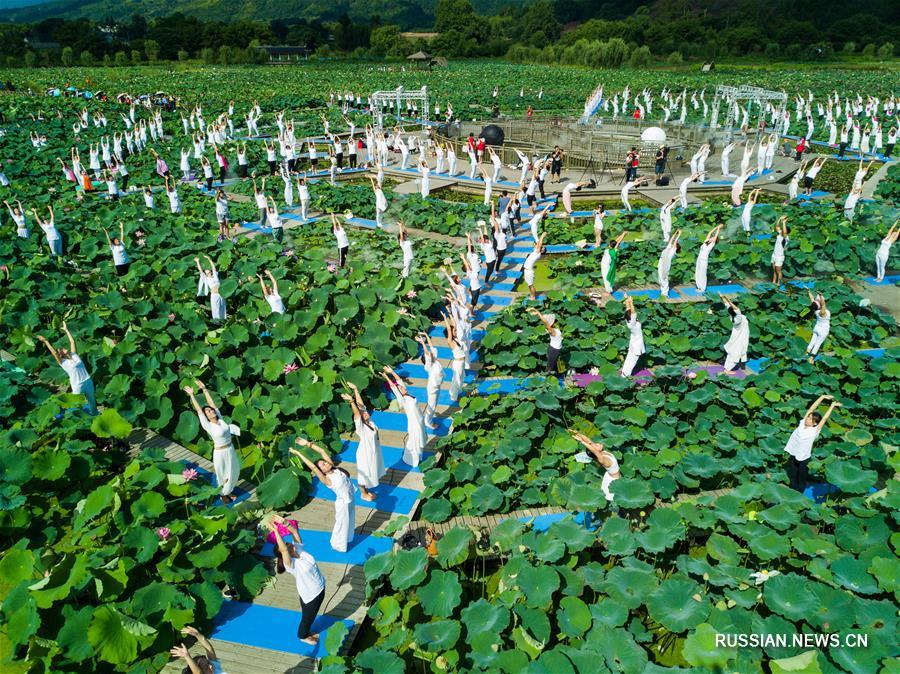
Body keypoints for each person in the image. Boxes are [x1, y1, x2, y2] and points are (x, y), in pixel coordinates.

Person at [267, 516, 326, 646]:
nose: (289, 545)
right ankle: (302, 636)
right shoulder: (290, 564)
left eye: (288, 544)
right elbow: (282, 549)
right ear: (284, 554)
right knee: (307, 618)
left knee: (310, 616)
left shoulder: (298, 549)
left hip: (320, 587)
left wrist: (284, 523)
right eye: (287, 546)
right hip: (311, 596)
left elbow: (294, 532)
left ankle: (307, 632)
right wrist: (276, 531)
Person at [291, 439, 356, 552]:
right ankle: (338, 544)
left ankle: (348, 538)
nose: (326, 464)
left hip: (350, 498)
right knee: (341, 524)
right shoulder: (327, 479)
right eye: (323, 465)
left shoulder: (335, 469)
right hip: (343, 503)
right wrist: (298, 454)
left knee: (350, 520)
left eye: (325, 462)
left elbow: (321, 451)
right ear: (322, 471)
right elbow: (313, 467)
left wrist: (307, 444)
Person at [183, 379, 241, 502]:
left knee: (234, 471)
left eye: (211, 410)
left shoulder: (220, 419)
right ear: (207, 416)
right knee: (222, 475)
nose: (211, 411)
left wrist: (204, 389)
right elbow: (199, 410)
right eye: (208, 411)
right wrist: (192, 395)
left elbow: (212, 403)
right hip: (220, 453)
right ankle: (223, 494)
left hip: (230, 449)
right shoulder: (208, 425)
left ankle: (229, 491)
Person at [36, 321, 97, 414]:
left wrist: (66, 330)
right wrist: (45, 341)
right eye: (61, 350)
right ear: (61, 355)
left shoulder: (74, 354)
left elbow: (72, 341)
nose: (63, 348)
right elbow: (54, 353)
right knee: (77, 404)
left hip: (88, 380)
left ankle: (95, 415)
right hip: (78, 385)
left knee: (92, 402)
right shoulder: (63, 362)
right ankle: (77, 419)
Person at [783, 395, 841, 492]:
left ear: (815, 423)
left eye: (810, 419)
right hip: (794, 454)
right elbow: (812, 408)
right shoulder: (802, 424)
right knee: (792, 475)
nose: (807, 419)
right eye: (808, 417)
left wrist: (832, 406)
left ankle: (799, 494)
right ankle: (791, 492)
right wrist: (822, 397)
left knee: (801, 478)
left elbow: (824, 419)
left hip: (804, 458)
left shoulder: (814, 431)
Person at [340, 381, 384, 500]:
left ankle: (367, 489)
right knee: (363, 475)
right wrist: (351, 402)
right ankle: (363, 493)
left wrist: (355, 389)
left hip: (373, 451)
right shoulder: (361, 427)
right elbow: (357, 414)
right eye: (363, 414)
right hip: (364, 453)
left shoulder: (370, 422)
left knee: (372, 471)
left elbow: (361, 406)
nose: (365, 414)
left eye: (365, 413)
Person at [381, 365, 426, 466]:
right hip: (414, 425)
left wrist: (392, 371)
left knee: (419, 440)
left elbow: (399, 380)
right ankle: (413, 461)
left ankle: (418, 457)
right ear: (399, 393)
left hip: (420, 421)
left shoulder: (407, 394)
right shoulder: (403, 400)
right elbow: (394, 387)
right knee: (414, 442)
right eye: (400, 388)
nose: (402, 387)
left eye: (402, 387)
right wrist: (386, 377)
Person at [570, 431, 620, 502]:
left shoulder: (601, 452)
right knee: (612, 500)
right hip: (613, 482)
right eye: (596, 445)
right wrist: (582, 442)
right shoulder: (603, 459)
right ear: (596, 451)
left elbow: (588, 440)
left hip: (609, 476)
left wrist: (577, 433)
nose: (597, 443)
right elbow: (594, 450)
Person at [417, 333, 444, 429]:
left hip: (437, 386)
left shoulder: (435, 360)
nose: (431, 354)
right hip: (432, 388)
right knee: (431, 406)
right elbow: (427, 352)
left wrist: (426, 336)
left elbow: (432, 347)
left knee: (434, 404)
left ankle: (428, 419)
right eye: (429, 355)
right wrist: (422, 343)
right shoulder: (428, 366)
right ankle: (428, 422)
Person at [720, 294, 749, 372]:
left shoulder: (732, 316)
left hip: (737, 335)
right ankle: (727, 370)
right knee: (736, 352)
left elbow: (727, 305)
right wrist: (728, 299)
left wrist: (722, 297)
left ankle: (727, 367)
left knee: (733, 351)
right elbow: (737, 308)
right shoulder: (738, 318)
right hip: (740, 336)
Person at [529, 308, 562, 374]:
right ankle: (547, 377)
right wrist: (538, 312)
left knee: (553, 363)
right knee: (550, 365)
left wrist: (538, 313)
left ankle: (552, 375)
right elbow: (546, 322)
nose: (555, 320)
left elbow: (546, 322)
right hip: (554, 350)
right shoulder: (551, 331)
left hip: (556, 349)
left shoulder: (554, 328)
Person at [620, 295, 645, 377]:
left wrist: (627, 301)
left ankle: (624, 373)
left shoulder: (629, 321)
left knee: (628, 358)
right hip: (637, 345)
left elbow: (629, 311)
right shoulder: (632, 323)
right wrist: (631, 302)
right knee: (633, 361)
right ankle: (626, 375)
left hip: (633, 343)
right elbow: (633, 313)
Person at [805, 290, 830, 363]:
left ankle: (806, 354)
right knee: (817, 345)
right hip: (823, 331)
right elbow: (823, 303)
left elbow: (812, 300)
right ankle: (811, 359)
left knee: (812, 342)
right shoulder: (823, 312)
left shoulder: (815, 310)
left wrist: (809, 292)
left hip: (816, 328)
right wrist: (821, 295)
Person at [694, 225, 722, 293]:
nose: (711, 238)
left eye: (712, 238)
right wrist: (715, 227)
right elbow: (709, 233)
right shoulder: (706, 242)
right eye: (711, 237)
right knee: (697, 272)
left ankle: (702, 288)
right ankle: (699, 286)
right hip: (699, 259)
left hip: (704, 260)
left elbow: (715, 237)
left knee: (702, 274)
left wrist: (718, 228)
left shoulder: (711, 244)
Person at [656, 230, 680, 298]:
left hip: (666, 264)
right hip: (661, 263)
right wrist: (675, 233)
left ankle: (665, 294)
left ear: (676, 247)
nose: (673, 244)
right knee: (660, 278)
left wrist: (679, 234)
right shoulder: (668, 247)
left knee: (664, 278)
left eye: (675, 244)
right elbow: (671, 240)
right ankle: (662, 292)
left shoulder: (673, 250)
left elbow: (675, 241)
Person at [522, 232, 546, 301]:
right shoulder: (535, 251)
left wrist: (542, 236)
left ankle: (533, 297)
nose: (540, 247)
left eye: (541, 248)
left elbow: (539, 244)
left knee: (531, 285)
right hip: (526, 270)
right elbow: (538, 244)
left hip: (529, 271)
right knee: (529, 285)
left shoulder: (537, 254)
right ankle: (532, 295)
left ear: (541, 251)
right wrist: (540, 238)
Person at [771, 216, 789, 287]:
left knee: (778, 270)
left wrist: (784, 223)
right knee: (774, 270)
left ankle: (778, 283)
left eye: (782, 230)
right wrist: (779, 219)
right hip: (774, 255)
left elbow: (784, 232)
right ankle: (773, 282)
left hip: (779, 257)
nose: (781, 230)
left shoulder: (786, 238)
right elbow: (777, 226)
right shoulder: (779, 235)